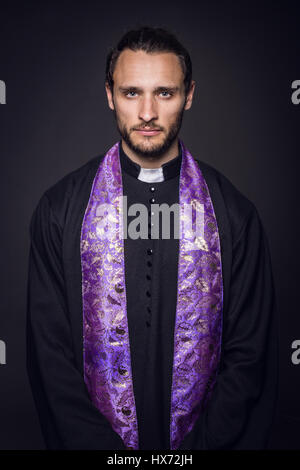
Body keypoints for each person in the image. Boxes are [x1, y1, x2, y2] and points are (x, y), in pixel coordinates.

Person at [26, 26, 278, 450]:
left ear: (189, 95)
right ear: (109, 95)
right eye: (130, 93)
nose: (147, 112)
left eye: (164, 93)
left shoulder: (233, 214)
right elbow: (50, 358)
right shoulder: (61, 210)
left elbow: (249, 354)